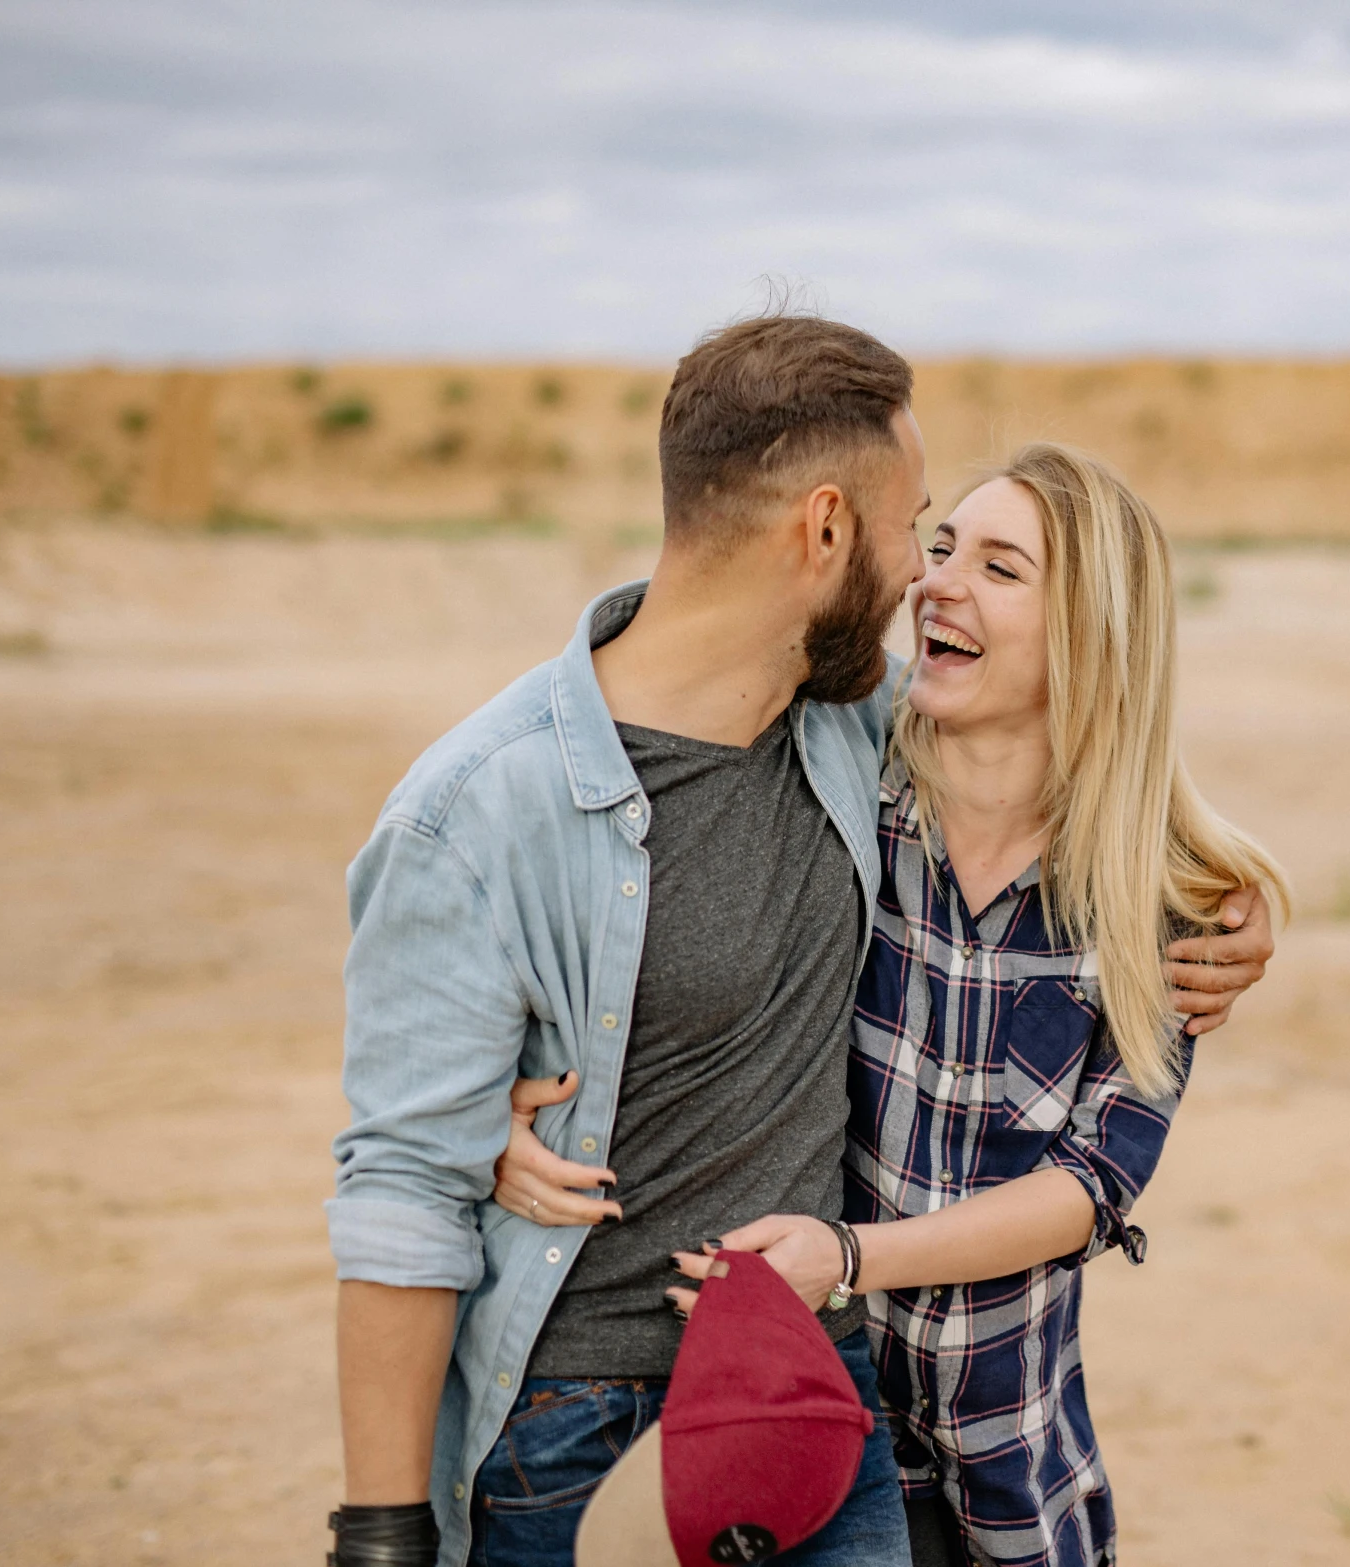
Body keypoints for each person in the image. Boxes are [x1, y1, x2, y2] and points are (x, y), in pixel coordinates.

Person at [326, 315, 1276, 1567]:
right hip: (583, 1418)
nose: (925, 579)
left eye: (981, 556)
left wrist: (1234, 903)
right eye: (918, 532)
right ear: (825, 530)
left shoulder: (854, 733)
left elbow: (1083, 745)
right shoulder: (496, 808)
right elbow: (401, 1184)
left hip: (853, 1407)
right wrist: (385, 1535)